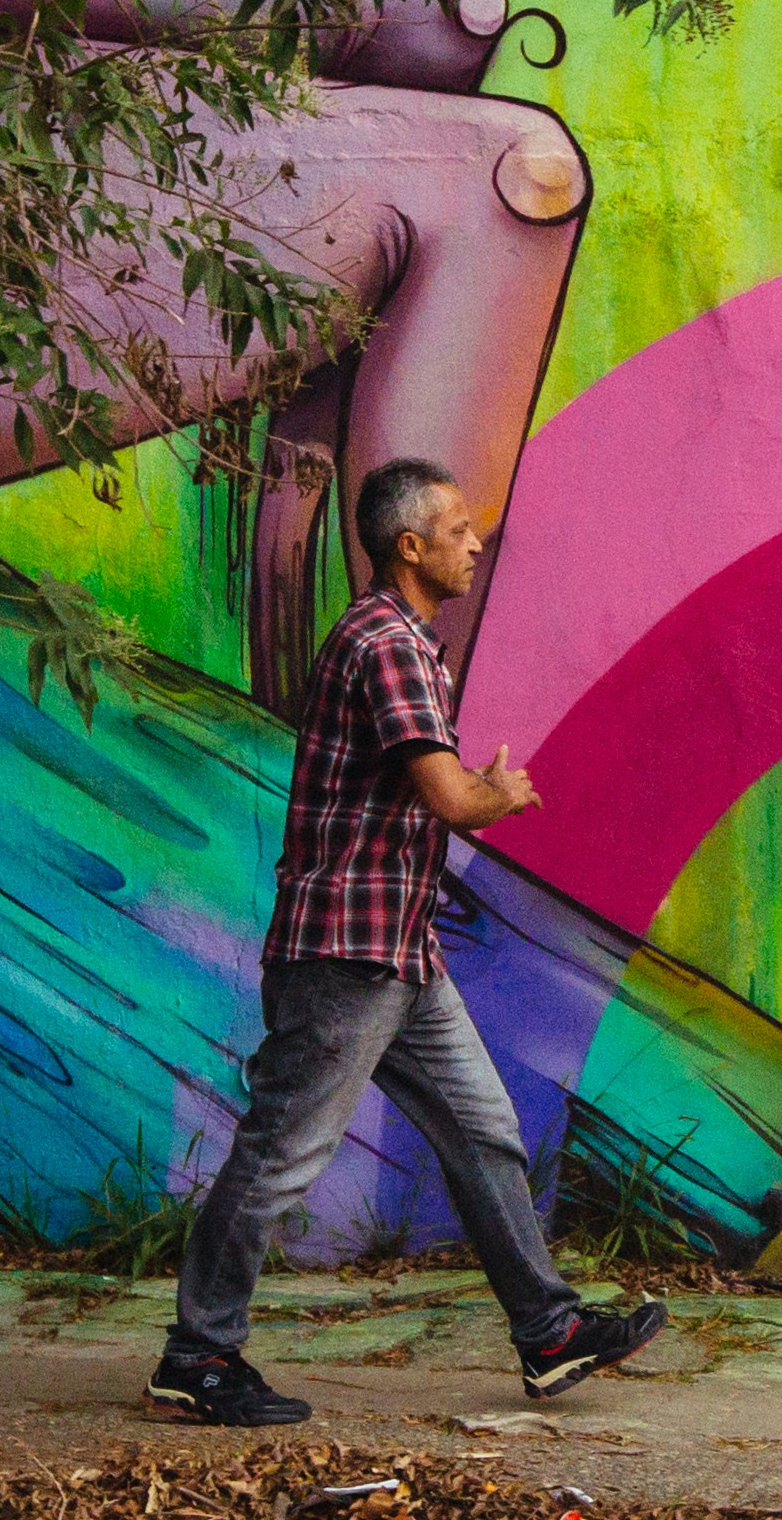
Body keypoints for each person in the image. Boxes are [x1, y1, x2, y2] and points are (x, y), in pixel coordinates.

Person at [150, 456, 668, 1426]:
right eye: (459, 527)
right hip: (348, 949)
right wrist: (496, 795)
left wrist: (474, 792)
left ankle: (549, 1334)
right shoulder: (385, 640)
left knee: (481, 1131)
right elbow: (446, 793)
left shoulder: (402, 642)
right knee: (282, 1154)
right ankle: (199, 1353)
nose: (477, 542)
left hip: (397, 949)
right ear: (408, 544)